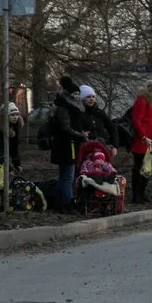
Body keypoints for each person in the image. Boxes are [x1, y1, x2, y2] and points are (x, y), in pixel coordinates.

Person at [50, 76, 88, 212]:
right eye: (75, 94)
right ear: (68, 94)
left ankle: (62, 202)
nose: (77, 97)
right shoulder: (64, 108)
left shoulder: (71, 108)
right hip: (66, 145)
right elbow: (66, 128)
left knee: (66, 176)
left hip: (70, 144)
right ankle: (67, 202)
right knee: (68, 176)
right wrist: (81, 135)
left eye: (78, 94)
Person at [128, 83, 152, 203]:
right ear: (150, 91)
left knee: (148, 169)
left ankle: (142, 194)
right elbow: (136, 120)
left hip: (150, 141)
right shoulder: (142, 101)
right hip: (141, 141)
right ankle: (136, 195)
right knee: (139, 168)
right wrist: (143, 136)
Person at [78, 85, 117, 159]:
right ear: (82, 99)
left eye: (93, 96)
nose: (91, 99)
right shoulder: (78, 114)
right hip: (86, 150)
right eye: (88, 97)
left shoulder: (99, 113)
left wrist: (114, 145)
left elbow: (112, 127)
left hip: (103, 148)